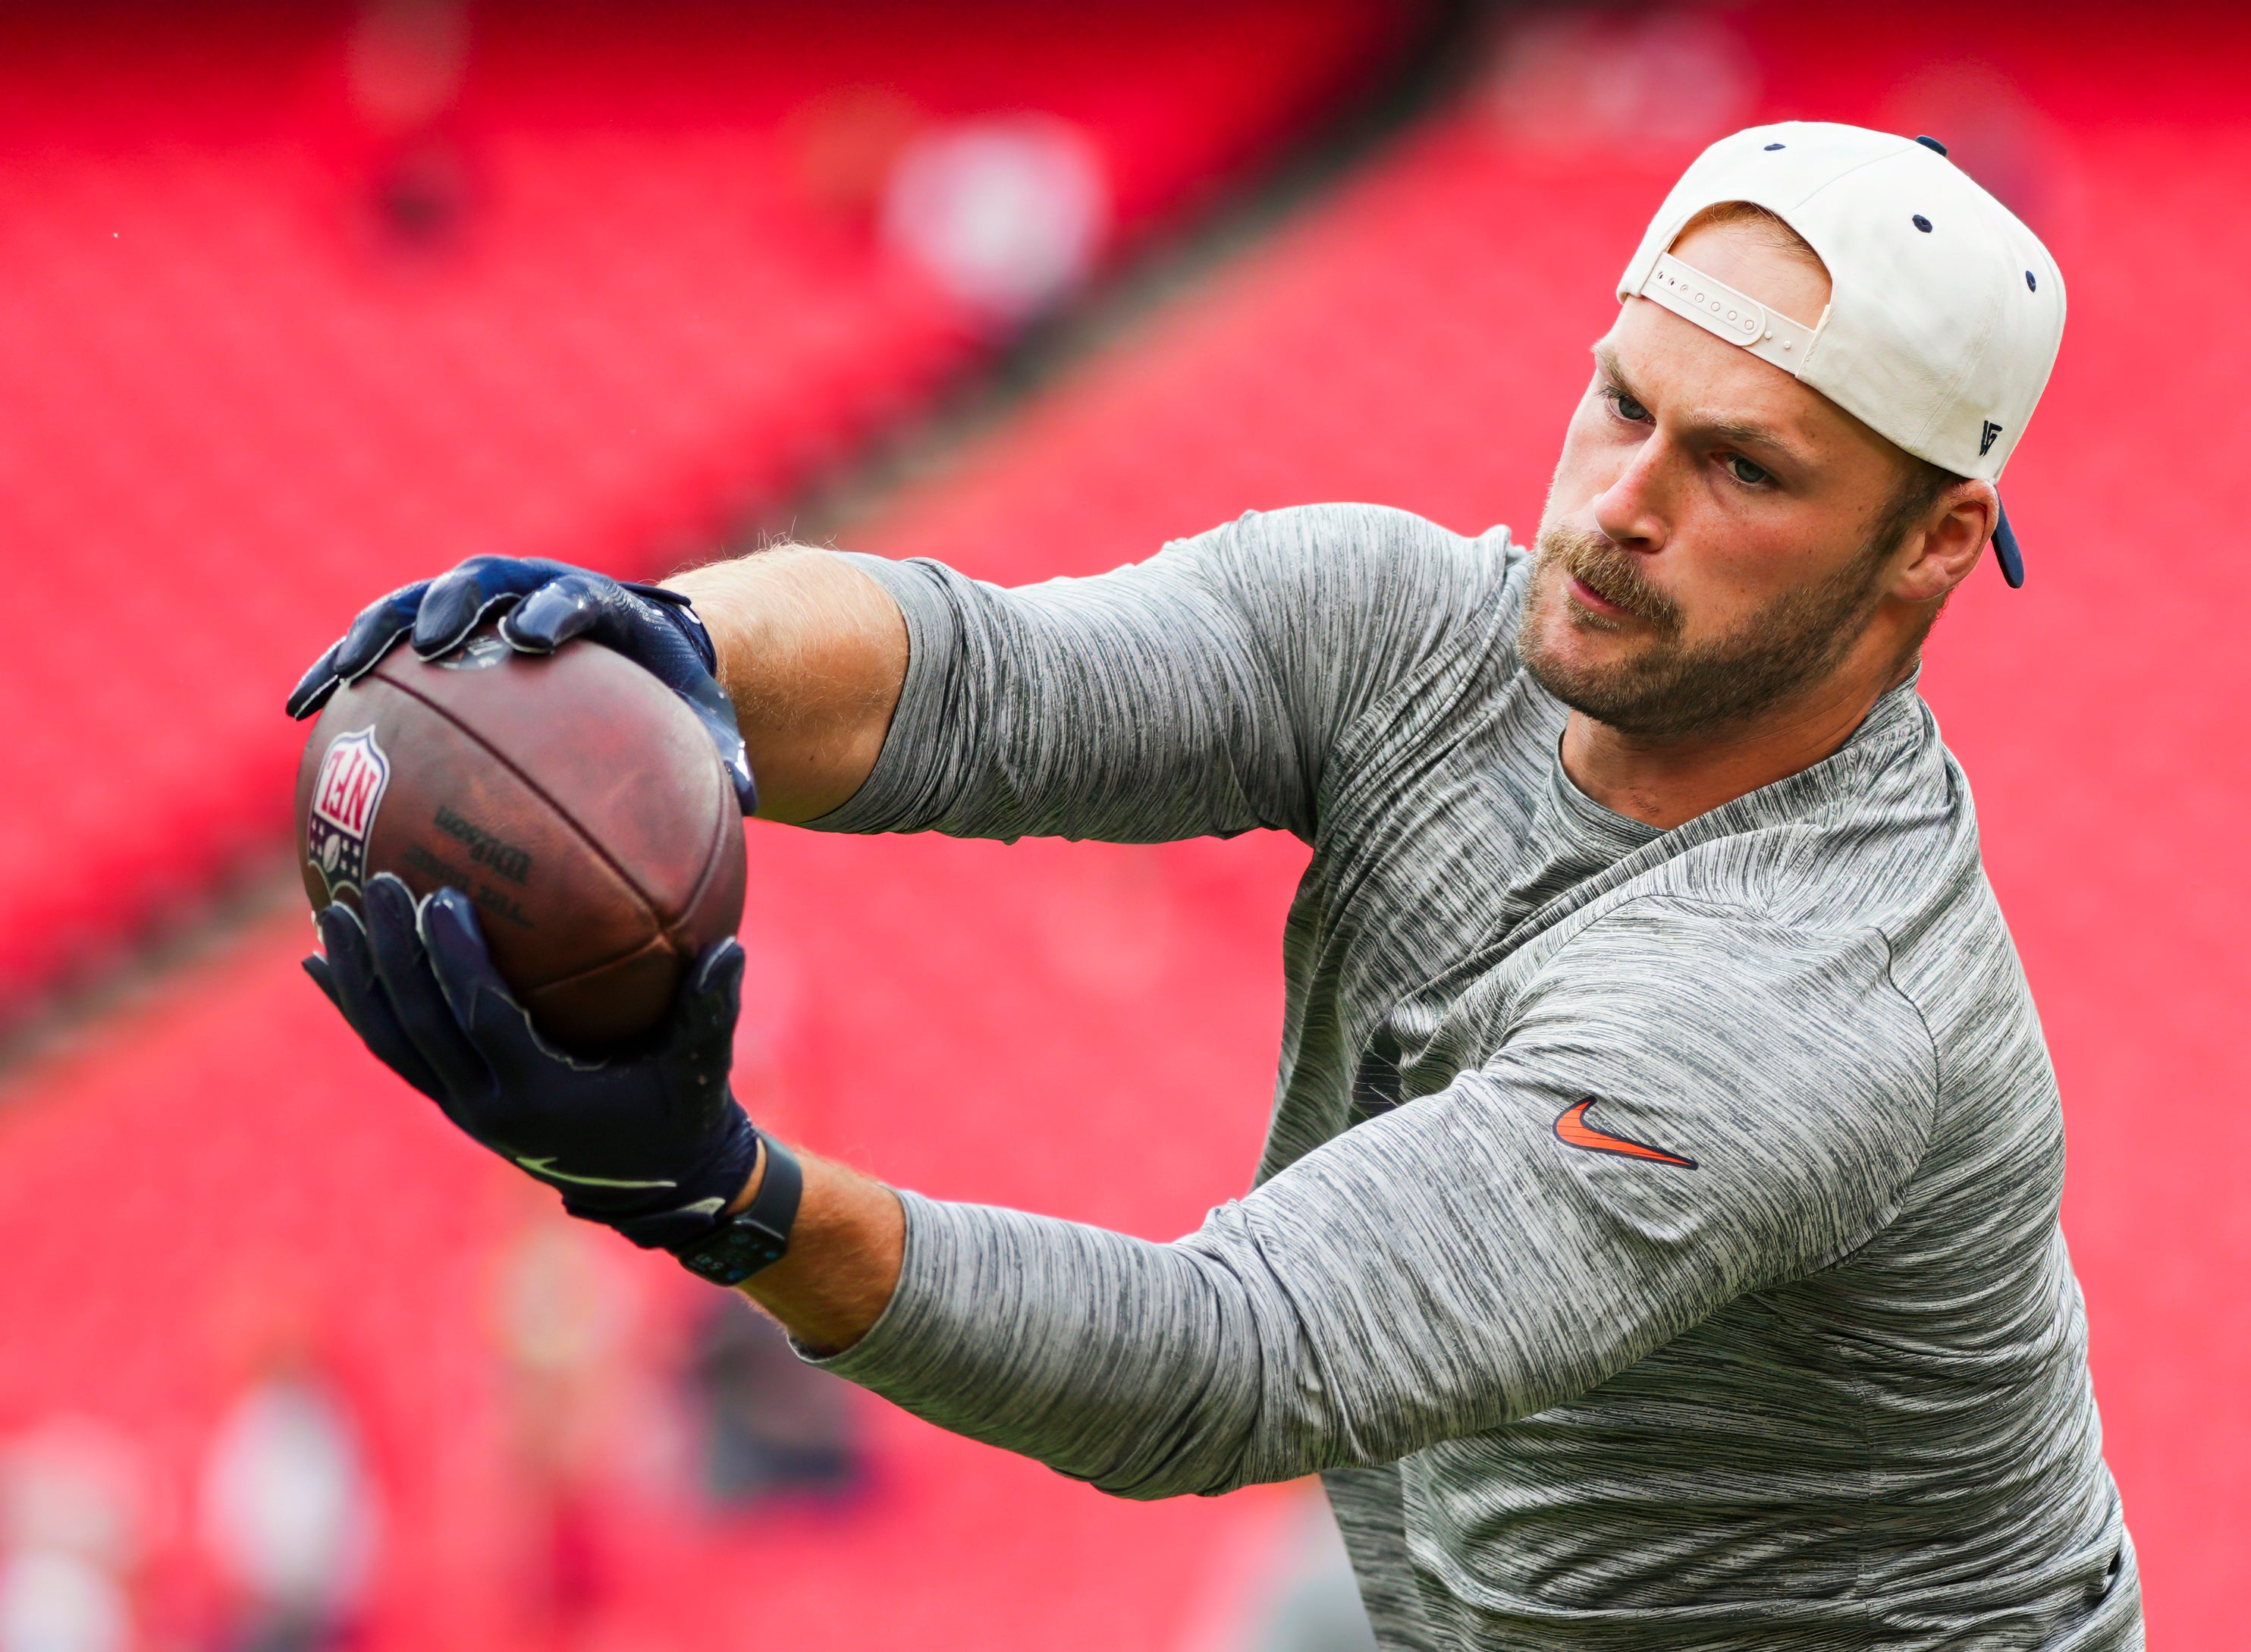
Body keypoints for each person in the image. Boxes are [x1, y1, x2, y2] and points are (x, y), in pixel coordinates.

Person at [293, 122, 2141, 1648]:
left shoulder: (1798, 1003)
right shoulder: (1417, 632)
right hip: (1461, 1565)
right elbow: (984, 681)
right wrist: (664, 652)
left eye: (1742, 467)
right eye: (1621, 402)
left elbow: (1228, 1358)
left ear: (1933, 546)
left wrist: (716, 1197)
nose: (1618, 506)